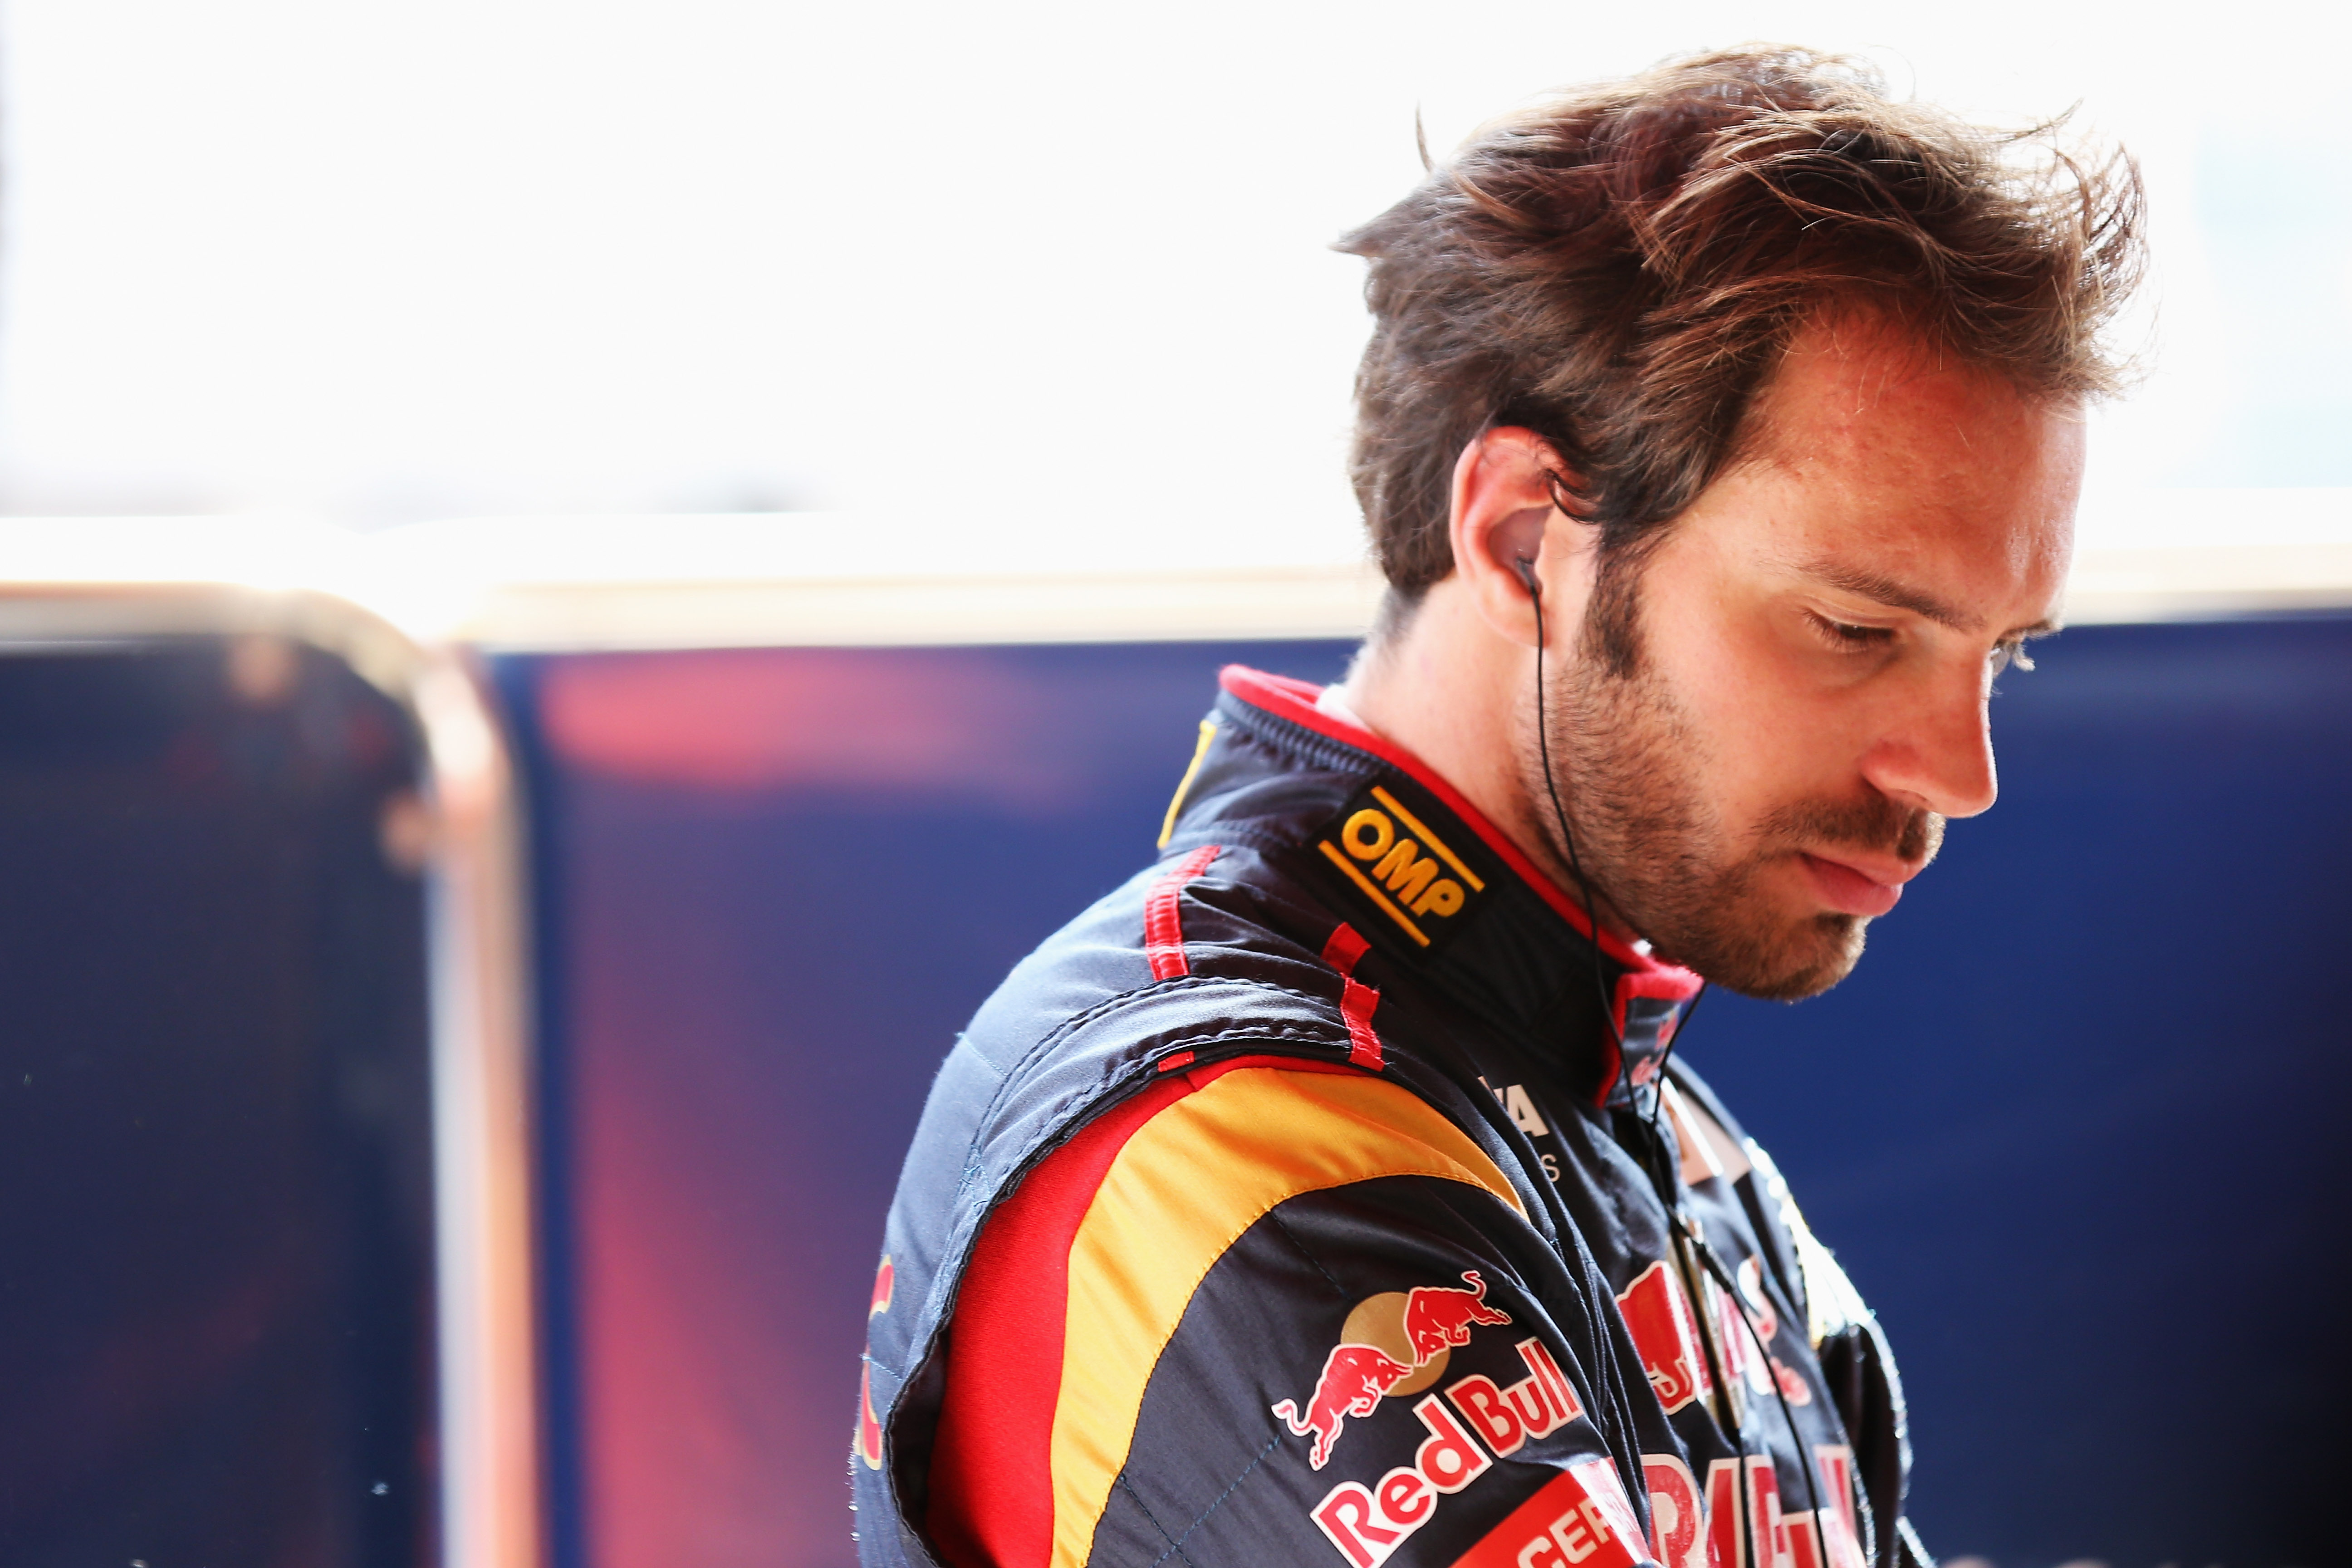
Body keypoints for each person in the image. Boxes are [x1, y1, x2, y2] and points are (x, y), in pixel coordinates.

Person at [852, 45, 2142, 1568]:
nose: (1960, 774)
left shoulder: (1626, 1109)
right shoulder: (1252, 1146)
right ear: (1527, 539)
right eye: (1858, 629)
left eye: (2004, 654)